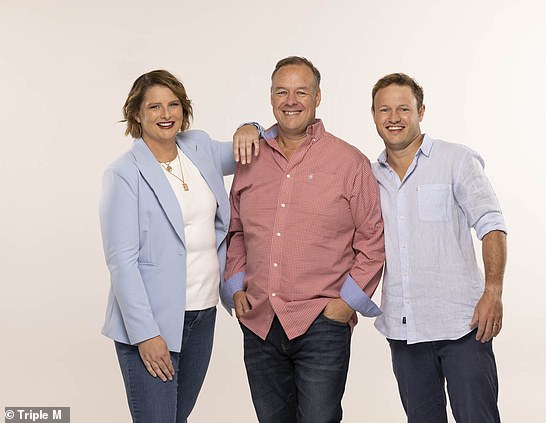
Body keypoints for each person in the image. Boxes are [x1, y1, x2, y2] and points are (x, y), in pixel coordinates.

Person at [222, 56, 385, 423]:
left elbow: (373, 240)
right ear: (270, 97)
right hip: (260, 322)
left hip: (321, 324)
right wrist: (235, 286)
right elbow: (234, 231)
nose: (291, 100)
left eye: (301, 91)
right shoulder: (250, 159)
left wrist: (346, 305)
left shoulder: (349, 162)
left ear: (318, 97)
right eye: (282, 91)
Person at [99, 69, 257, 423]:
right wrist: (146, 335)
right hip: (152, 321)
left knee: (177, 418)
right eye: (154, 106)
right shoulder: (124, 174)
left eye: (173, 105)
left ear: (184, 110)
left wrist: (252, 126)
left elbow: (250, 147)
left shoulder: (198, 147)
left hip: (202, 314)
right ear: (137, 114)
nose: (166, 114)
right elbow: (121, 262)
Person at [370, 73, 508, 423]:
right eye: (384, 109)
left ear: (421, 111)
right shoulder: (370, 176)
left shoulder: (456, 160)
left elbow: (491, 224)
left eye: (403, 108)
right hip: (404, 329)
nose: (394, 117)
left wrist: (493, 290)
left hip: (463, 324)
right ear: (373, 115)